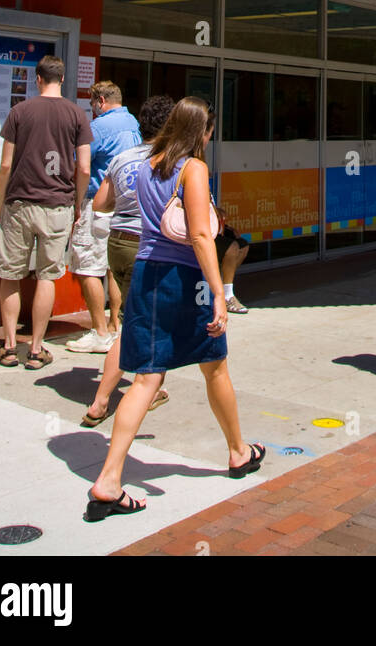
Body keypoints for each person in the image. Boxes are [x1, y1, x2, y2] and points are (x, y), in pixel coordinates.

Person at [85, 96, 264, 519]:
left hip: (148, 272)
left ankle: (109, 478)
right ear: (201, 131)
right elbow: (201, 236)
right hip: (185, 278)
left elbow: (115, 206)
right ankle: (239, 451)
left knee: (146, 377)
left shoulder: (147, 165)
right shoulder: (193, 168)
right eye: (209, 130)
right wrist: (219, 291)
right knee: (215, 364)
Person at [0, 55, 92, 369]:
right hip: (57, 205)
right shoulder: (76, 115)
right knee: (48, 277)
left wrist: (1, 202)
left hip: (20, 203)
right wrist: (76, 203)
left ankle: (8, 347)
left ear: (37, 79)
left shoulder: (20, 112)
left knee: (10, 275)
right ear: (62, 80)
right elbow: (84, 167)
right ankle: (36, 349)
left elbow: (6, 164)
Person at [80, 94, 176, 427]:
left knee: (134, 319)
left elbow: (101, 204)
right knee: (148, 324)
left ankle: (112, 396)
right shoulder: (171, 161)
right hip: (151, 247)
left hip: (118, 244)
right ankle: (134, 391)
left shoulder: (122, 158)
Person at [66, 82, 140, 354]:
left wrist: (76, 201)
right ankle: (113, 325)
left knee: (87, 266)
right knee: (112, 268)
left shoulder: (96, 127)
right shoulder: (133, 123)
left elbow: (81, 163)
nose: (91, 107)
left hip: (95, 202)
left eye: (92, 102)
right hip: (123, 204)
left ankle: (99, 332)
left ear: (100, 100)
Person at [215, 206, 249, 314]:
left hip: (217, 231)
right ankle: (227, 296)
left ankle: (223, 285)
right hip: (202, 235)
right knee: (232, 247)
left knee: (243, 245)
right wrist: (214, 209)